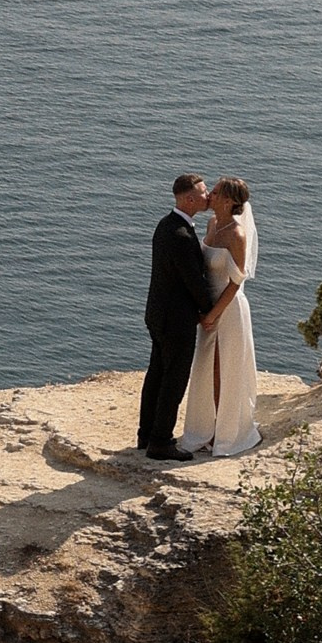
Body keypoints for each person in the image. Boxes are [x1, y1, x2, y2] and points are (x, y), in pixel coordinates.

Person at [180, 176, 261, 456]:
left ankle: (225, 434)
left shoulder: (236, 235)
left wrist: (215, 312)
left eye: (214, 192)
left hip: (227, 307)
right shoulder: (212, 224)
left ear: (228, 201)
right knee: (205, 368)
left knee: (223, 369)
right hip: (208, 307)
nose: (209, 195)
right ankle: (205, 428)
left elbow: (236, 280)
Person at [138, 173, 211, 459]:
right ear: (189, 199)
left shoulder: (166, 225)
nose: (209, 196)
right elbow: (194, 281)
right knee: (174, 379)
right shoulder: (181, 235)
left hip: (157, 313)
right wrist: (210, 310)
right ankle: (161, 441)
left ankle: (146, 434)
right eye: (204, 193)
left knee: (157, 373)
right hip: (177, 318)